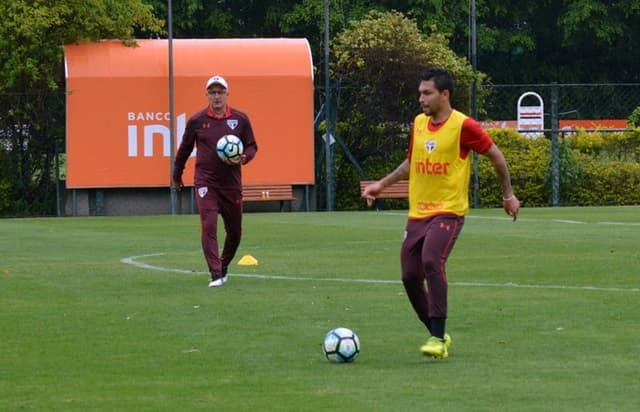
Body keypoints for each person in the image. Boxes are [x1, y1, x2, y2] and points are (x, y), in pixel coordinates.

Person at [362, 67, 520, 358]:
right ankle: (438, 335)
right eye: (420, 93)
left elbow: (496, 157)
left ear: (444, 94)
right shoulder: (419, 124)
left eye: (427, 93)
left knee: (432, 260)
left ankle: (436, 337)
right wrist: (381, 185)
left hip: (449, 211)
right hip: (418, 213)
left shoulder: (464, 126)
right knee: (410, 276)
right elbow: (411, 163)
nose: (421, 98)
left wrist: (508, 194)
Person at [173, 75, 258, 288]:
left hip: (231, 184)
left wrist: (244, 157)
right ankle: (215, 273)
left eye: (220, 92)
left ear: (227, 94)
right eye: (213, 92)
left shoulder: (240, 119)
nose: (217, 96)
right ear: (207, 95)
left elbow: (252, 146)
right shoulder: (197, 121)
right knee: (208, 225)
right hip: (205, 182)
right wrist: (176, 175)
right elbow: (183, 150)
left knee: (235, 232)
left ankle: (223, 264)